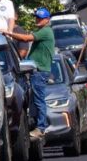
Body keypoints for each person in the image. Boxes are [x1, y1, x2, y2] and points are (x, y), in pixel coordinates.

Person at [9, 7, 55, 139]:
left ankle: (41, 128)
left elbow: (25, 38)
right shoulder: (41, 30)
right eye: (37, 17)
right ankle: (34, 123)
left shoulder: (46, 31)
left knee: (39, 100)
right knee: (33, 99)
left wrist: (9, 33)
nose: (37, 19)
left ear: (47, 20)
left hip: (40, 71)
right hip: (36, 71)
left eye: (40, 18)